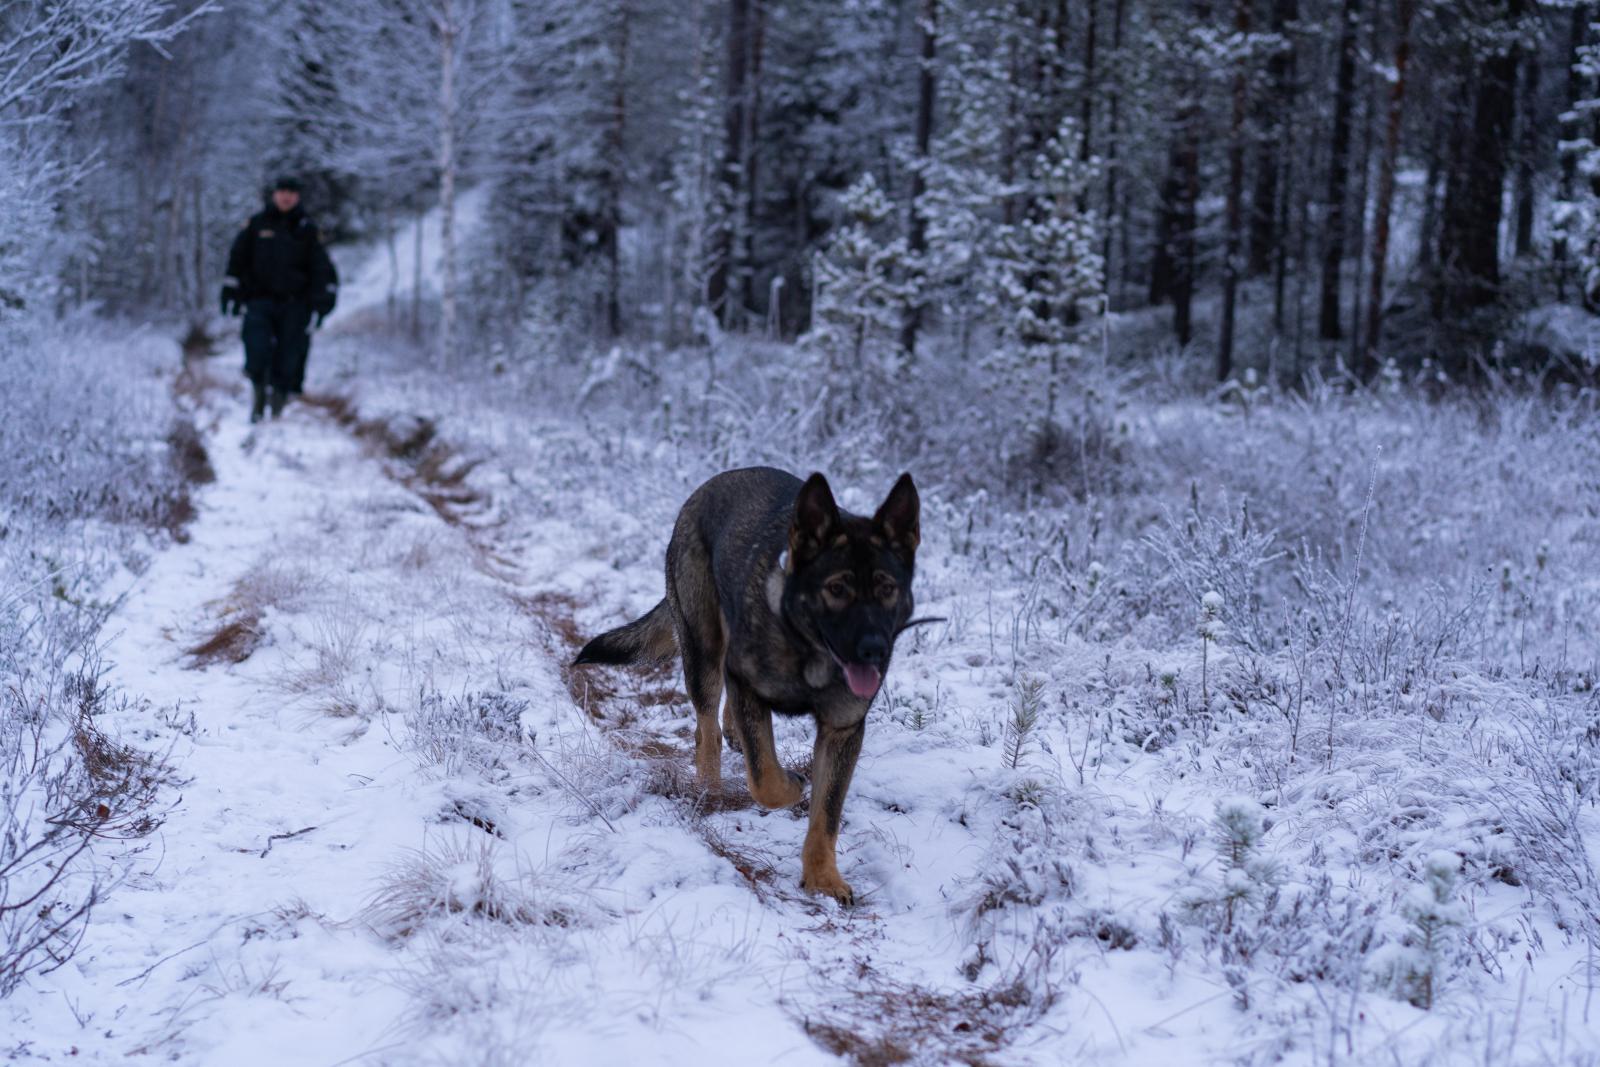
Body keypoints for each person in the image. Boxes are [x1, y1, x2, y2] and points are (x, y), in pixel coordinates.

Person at [221, 176, 338, 421]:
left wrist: (322, 301)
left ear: (298, 197)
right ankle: (258, 399)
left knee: (289, 355)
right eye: (282, 191)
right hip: (259, 300)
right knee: (257, 349)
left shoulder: (307, 229)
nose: (286, 197)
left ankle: (278, 407)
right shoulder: (256, 225)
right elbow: (237, 260)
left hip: (295, 303)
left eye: (292, 192)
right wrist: (230, 290)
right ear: (274, 195)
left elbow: (322, 268)